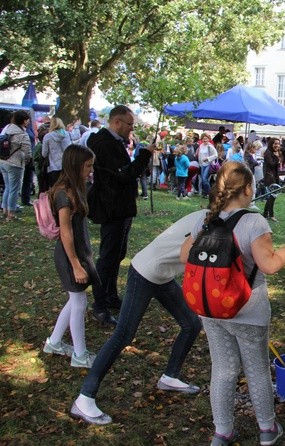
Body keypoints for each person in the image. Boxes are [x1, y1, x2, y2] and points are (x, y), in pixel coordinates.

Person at [181, 161, 285, 446]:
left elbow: (183, 256)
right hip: (249, 311)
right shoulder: (254, 222)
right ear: (249, 189)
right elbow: (270, 264)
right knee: (257, 370)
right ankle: (266, 430)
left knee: (223, 369)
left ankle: (222, 432)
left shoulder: (203, 218)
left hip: (211, 309)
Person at [70, 210, 205, 426]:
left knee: (191, 324)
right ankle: (84, 399)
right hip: (144, 272)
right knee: (123, 334)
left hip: (161, 275)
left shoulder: (213, 216)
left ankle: (170, 377)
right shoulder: (209, 221)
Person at [86, 105, 155, 327]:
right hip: (111, 207)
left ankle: (110, 296)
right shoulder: (105, 143)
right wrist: (145, 154)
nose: (131, 130)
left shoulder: (112, 142)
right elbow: (126, 174)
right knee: (107, 257)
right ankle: (99, 306)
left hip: (120, 207)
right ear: (116, 123)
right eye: (129, 125)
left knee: (117, 254)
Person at [42, 145, 100, 367]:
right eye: (87, 166)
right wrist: (75, 264)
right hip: (69, 256)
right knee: (79, 302)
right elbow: (65, 232)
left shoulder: (75, 189)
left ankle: (55, 342)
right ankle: (80, 355)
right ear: (76, 165)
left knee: (75, 300)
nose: (91, 170)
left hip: (79, 253)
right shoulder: (63, 194)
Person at [0, 110, 31, 221]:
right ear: (23, 121)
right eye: (27, 120)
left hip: (3, 161)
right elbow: (27, 151)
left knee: (8, 187)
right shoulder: (22, 134)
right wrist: (27, 161)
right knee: (14, 189)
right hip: (15, 163)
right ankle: (11, 213)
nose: (28, 122)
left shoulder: (7, 129)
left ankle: (5, 210)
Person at [42, 117, 74, 189]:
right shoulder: (68, 134)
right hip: (67, 165)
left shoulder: (48, 136)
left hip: (53, 167)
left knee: (55, 189)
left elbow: (44, 154)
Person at [262, 137, 282, 222]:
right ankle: (271, 215)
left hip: (274, 175)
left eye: (278, 143)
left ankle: (265, 214)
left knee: (272, 195)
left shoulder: (273, 153)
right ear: (271, 144)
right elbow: (271, 164)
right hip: (269, 176)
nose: (277, 145)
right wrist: (277, 158)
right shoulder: (268, 153)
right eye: (275, 143)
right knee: (272, 196)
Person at [197, 133, 217, 197]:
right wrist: (200, 163)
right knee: (203, 180)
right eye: (203, 139)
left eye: (206, 139)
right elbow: (199, 155)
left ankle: (209, 193)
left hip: (209, 164)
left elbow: (215, 155)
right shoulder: (201, 146)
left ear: (208, 139)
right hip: (202, 164)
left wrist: (208, 159)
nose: (205, 140)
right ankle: (206, 193)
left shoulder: (210, 146)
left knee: (205, 179)